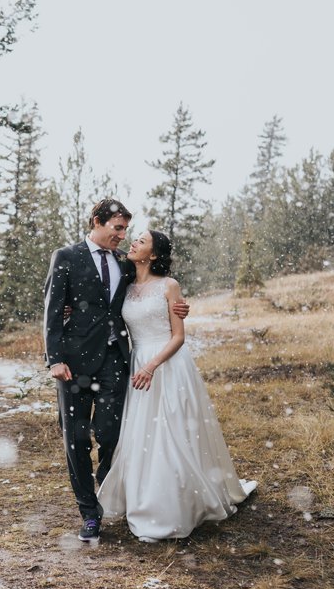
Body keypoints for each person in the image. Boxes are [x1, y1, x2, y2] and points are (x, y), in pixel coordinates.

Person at [42, 200, 189, 542]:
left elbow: (149, 290)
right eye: (117, 229)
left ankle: (108, 490)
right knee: (77, 439)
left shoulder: (125, 263)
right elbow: (51, 310)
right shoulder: (66, 256)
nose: (122, 237)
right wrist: (55, 359)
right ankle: (90, 513)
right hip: (73, 364)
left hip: (115, 361)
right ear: (97, 222)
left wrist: (180, 306)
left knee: (111, 434)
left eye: (126, 230)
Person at [97, 230, 256, 542]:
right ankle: (147, 499)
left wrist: (152, 366)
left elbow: (178, 336)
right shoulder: (124, 285)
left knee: (173, 431)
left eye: (141, 241)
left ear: (154, 255)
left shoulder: (169, 286)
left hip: (167, 363)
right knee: (143, 435)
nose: (134, 243)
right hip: (138, 361)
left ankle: (179, 502)